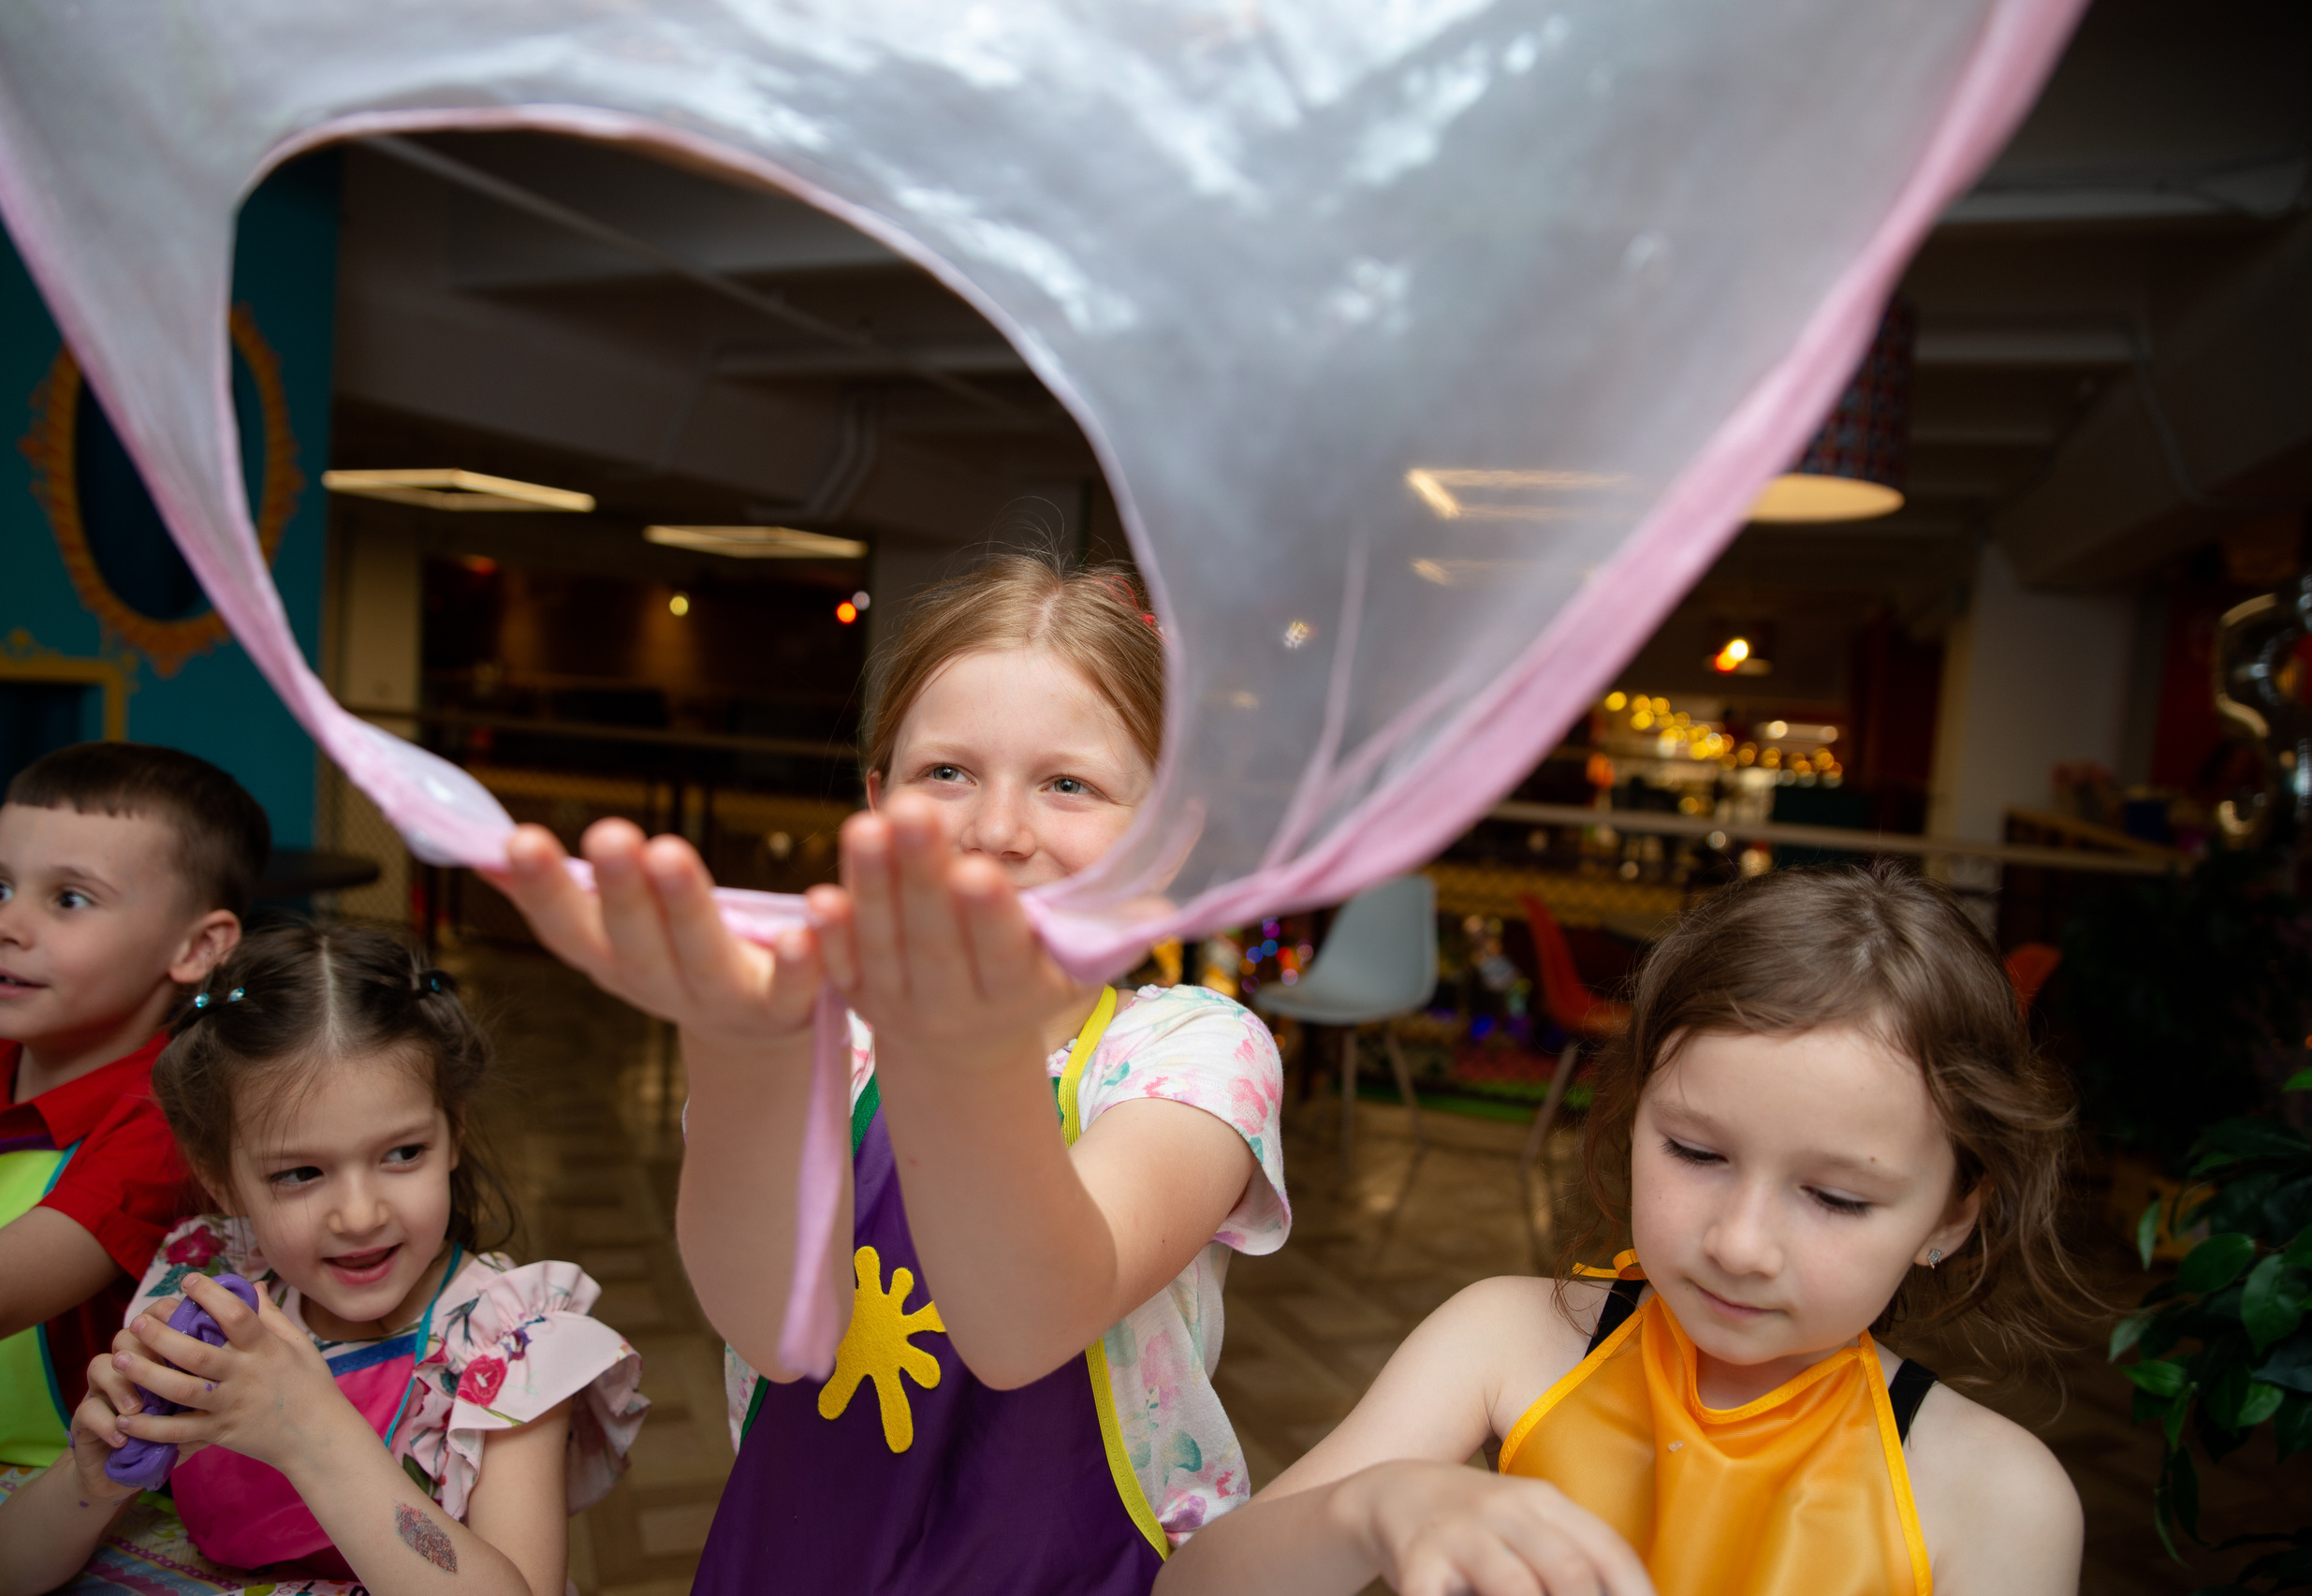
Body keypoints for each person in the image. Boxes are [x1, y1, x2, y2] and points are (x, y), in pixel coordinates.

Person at [492, 551, 1289, 1594]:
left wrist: (953, 1043)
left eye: (1069, 784)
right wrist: (737, 1059)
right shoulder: (821, 1034)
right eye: (946, 772)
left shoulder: (1196, 1051)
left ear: (1166, 837)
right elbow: (776, 1328)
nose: (994, 832)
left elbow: (1028, 1322)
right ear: (877, 804)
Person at [1156, 864, 2090, 1596]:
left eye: (1837, 1197)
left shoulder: (1998, 1496)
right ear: (1634, 1115)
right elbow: (1192, 1585)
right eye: (1695, 1151)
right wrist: (1369, 1508)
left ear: (1951, 1215)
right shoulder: (1507, 1338)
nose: (1739, 1243)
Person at [0, 925, 647, 1596]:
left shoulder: (508, 1344)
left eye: (403, 1153)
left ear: (454, 1132)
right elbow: (9, 1573)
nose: (359, 1215)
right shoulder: (211, 1292)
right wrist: (88, 1482)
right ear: (218, 1176)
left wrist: (308, 1431)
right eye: (300, 1172)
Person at [0, 741, 263, 1466]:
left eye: (69, 899)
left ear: (198, 947)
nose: (4, 925)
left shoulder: (167, 1124)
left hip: (65, 1491)